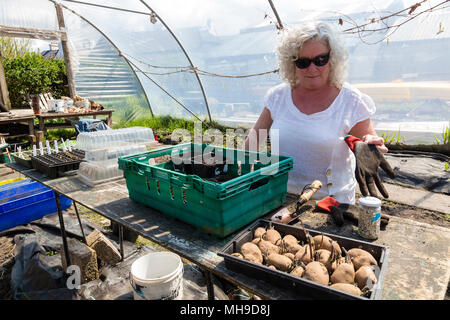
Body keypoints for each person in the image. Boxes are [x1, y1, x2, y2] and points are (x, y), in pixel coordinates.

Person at [245, 21, 387, 204]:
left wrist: (371, 145)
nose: (312, 69)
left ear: (332, 58)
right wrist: (245, 180)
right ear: (292, 63)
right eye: (303, 62)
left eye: (321, 60)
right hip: (280, 198)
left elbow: (370, 140)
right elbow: (254, 140)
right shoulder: (278, 97)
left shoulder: (350, 100)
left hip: (331, 205)